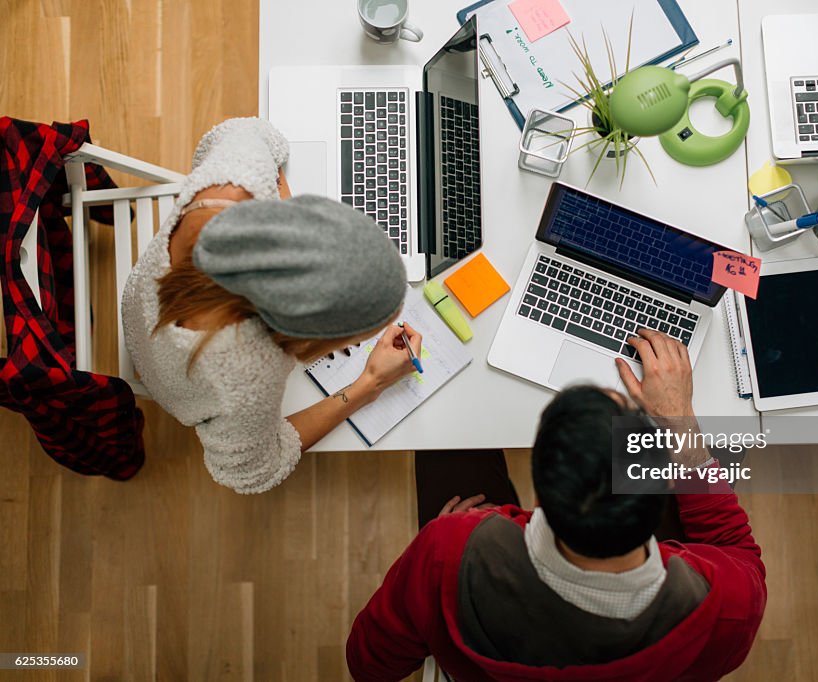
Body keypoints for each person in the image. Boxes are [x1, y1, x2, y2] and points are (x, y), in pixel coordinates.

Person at [347, 330, 767, 681]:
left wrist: (444, 543)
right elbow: (738, 551)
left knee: (446, 443)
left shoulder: (450, 550)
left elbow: (370, 665)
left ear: (537, 498)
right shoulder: (727, 610)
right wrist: (677, 422)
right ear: (658, 508)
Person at [122, 118, 421, 494]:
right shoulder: (247, 375)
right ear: (308, 337)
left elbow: (255, 133)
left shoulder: (233, 184)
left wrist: (286, 229)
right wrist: (369, 384)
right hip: (169, 375)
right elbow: (250, 473)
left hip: (142, 295)